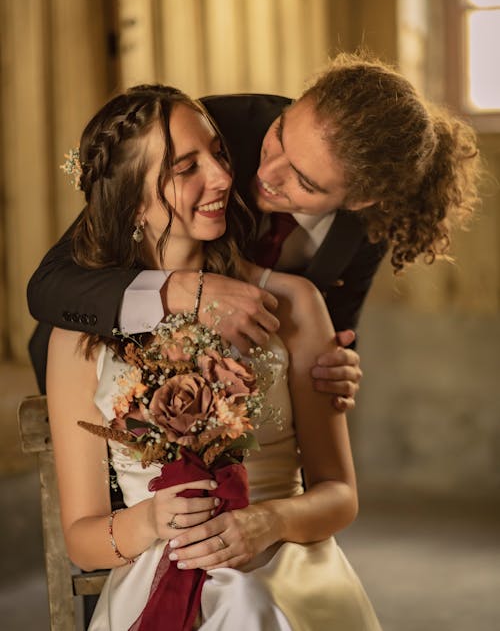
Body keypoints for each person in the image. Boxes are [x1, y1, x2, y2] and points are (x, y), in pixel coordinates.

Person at [46, 84, 382, 629]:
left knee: (249, 604)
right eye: (186, 168)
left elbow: (339, 495)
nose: (226, 178)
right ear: (132, 199)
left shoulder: (295, 303)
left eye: (220, 155)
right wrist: (151, 522)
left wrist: (267, 522)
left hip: (283, 560)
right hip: (159, 558)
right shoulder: (77, 340)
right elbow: (83, 540)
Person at [28, 52, 480, 406]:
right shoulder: (213, 132)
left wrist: (337, 367)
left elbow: (336, 329)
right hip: (92, 371)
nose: (267, 172)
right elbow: (52, 284)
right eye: (279, 134)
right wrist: (181, 291)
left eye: (302, 180)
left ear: (360, 200)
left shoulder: (368, 226)